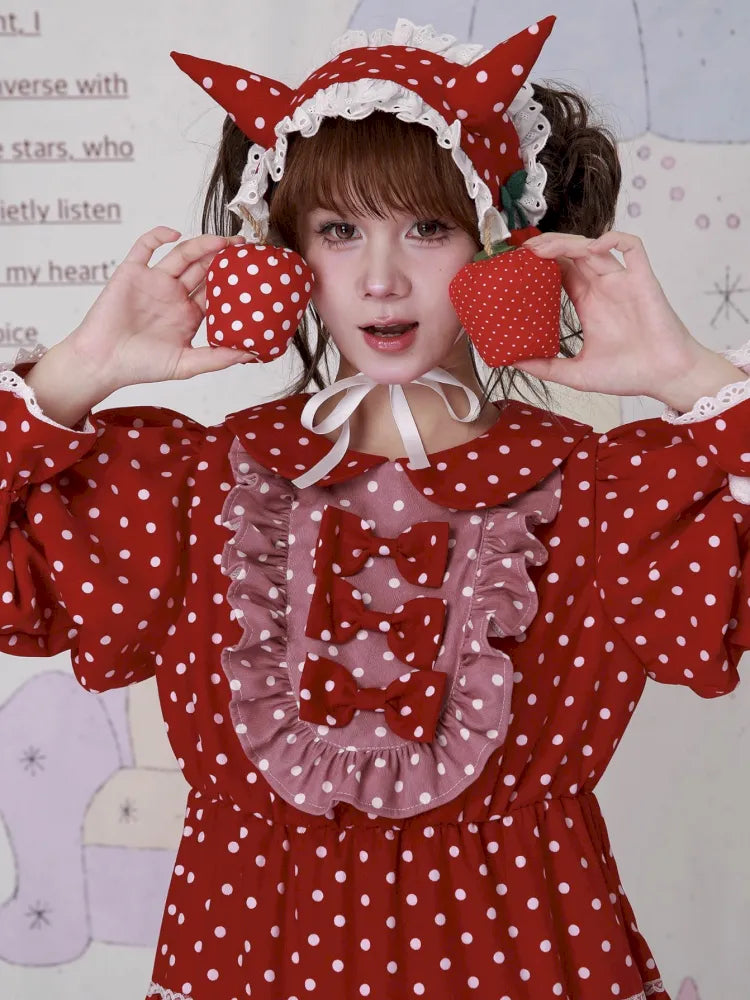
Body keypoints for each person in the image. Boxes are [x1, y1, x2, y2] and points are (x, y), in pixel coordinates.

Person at [1, 14, 748, 1000]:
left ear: (499, 239)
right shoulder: (190, 487)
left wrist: (689, 376)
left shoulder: (603, 493)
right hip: (250, 964)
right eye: (339, 230)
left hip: (529, 963)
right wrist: (78, 371)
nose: (382, 278)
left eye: (427, 228)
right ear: (286, 251)